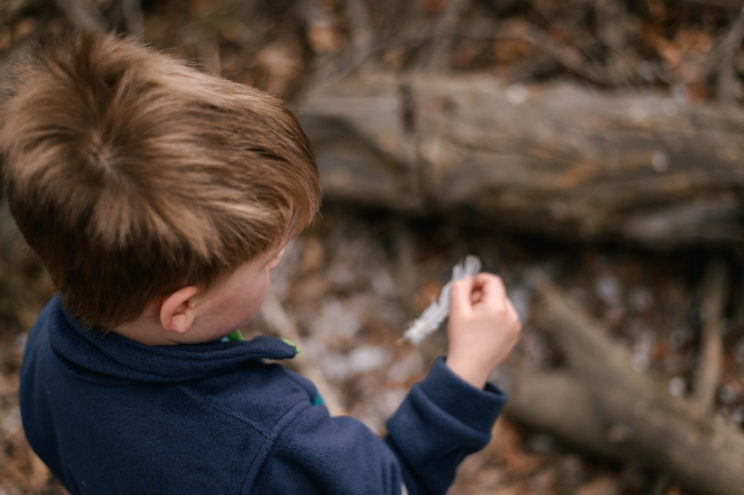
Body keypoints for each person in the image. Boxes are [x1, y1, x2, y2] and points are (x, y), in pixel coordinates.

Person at [0, 31, 521, 495]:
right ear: (182, 308)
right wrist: (465, 373)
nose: (277, 266)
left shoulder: (51, 343)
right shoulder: (267, 446)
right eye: (269, 261)